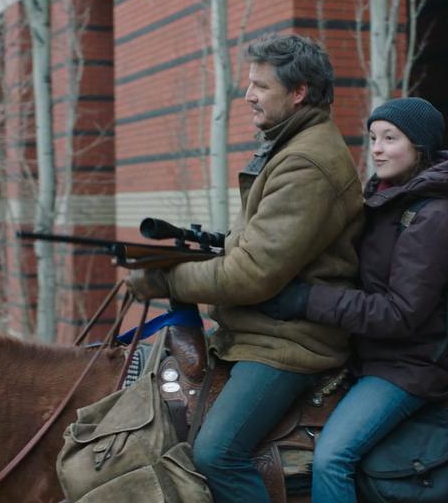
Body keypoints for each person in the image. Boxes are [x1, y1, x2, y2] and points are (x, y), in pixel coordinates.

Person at [124, 34, 364, 503]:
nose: (249, 96)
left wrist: (165, 279)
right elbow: (252, 249)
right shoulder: (289, 146)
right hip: (258, 328)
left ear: (299, 92)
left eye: (260, 86)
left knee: (217, 452)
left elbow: (251, 273)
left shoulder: (307, 163)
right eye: (249, 84)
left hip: (290, 342)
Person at [259, 97, 448, 501]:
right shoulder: (387, 201)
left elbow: (399, 313)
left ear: (420, 147)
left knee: (332, 457)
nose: (378, 149)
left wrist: (306, 300)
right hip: (371, 355)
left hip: (410, 366)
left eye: (390, 138)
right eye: (373, 138)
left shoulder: (435, 216)